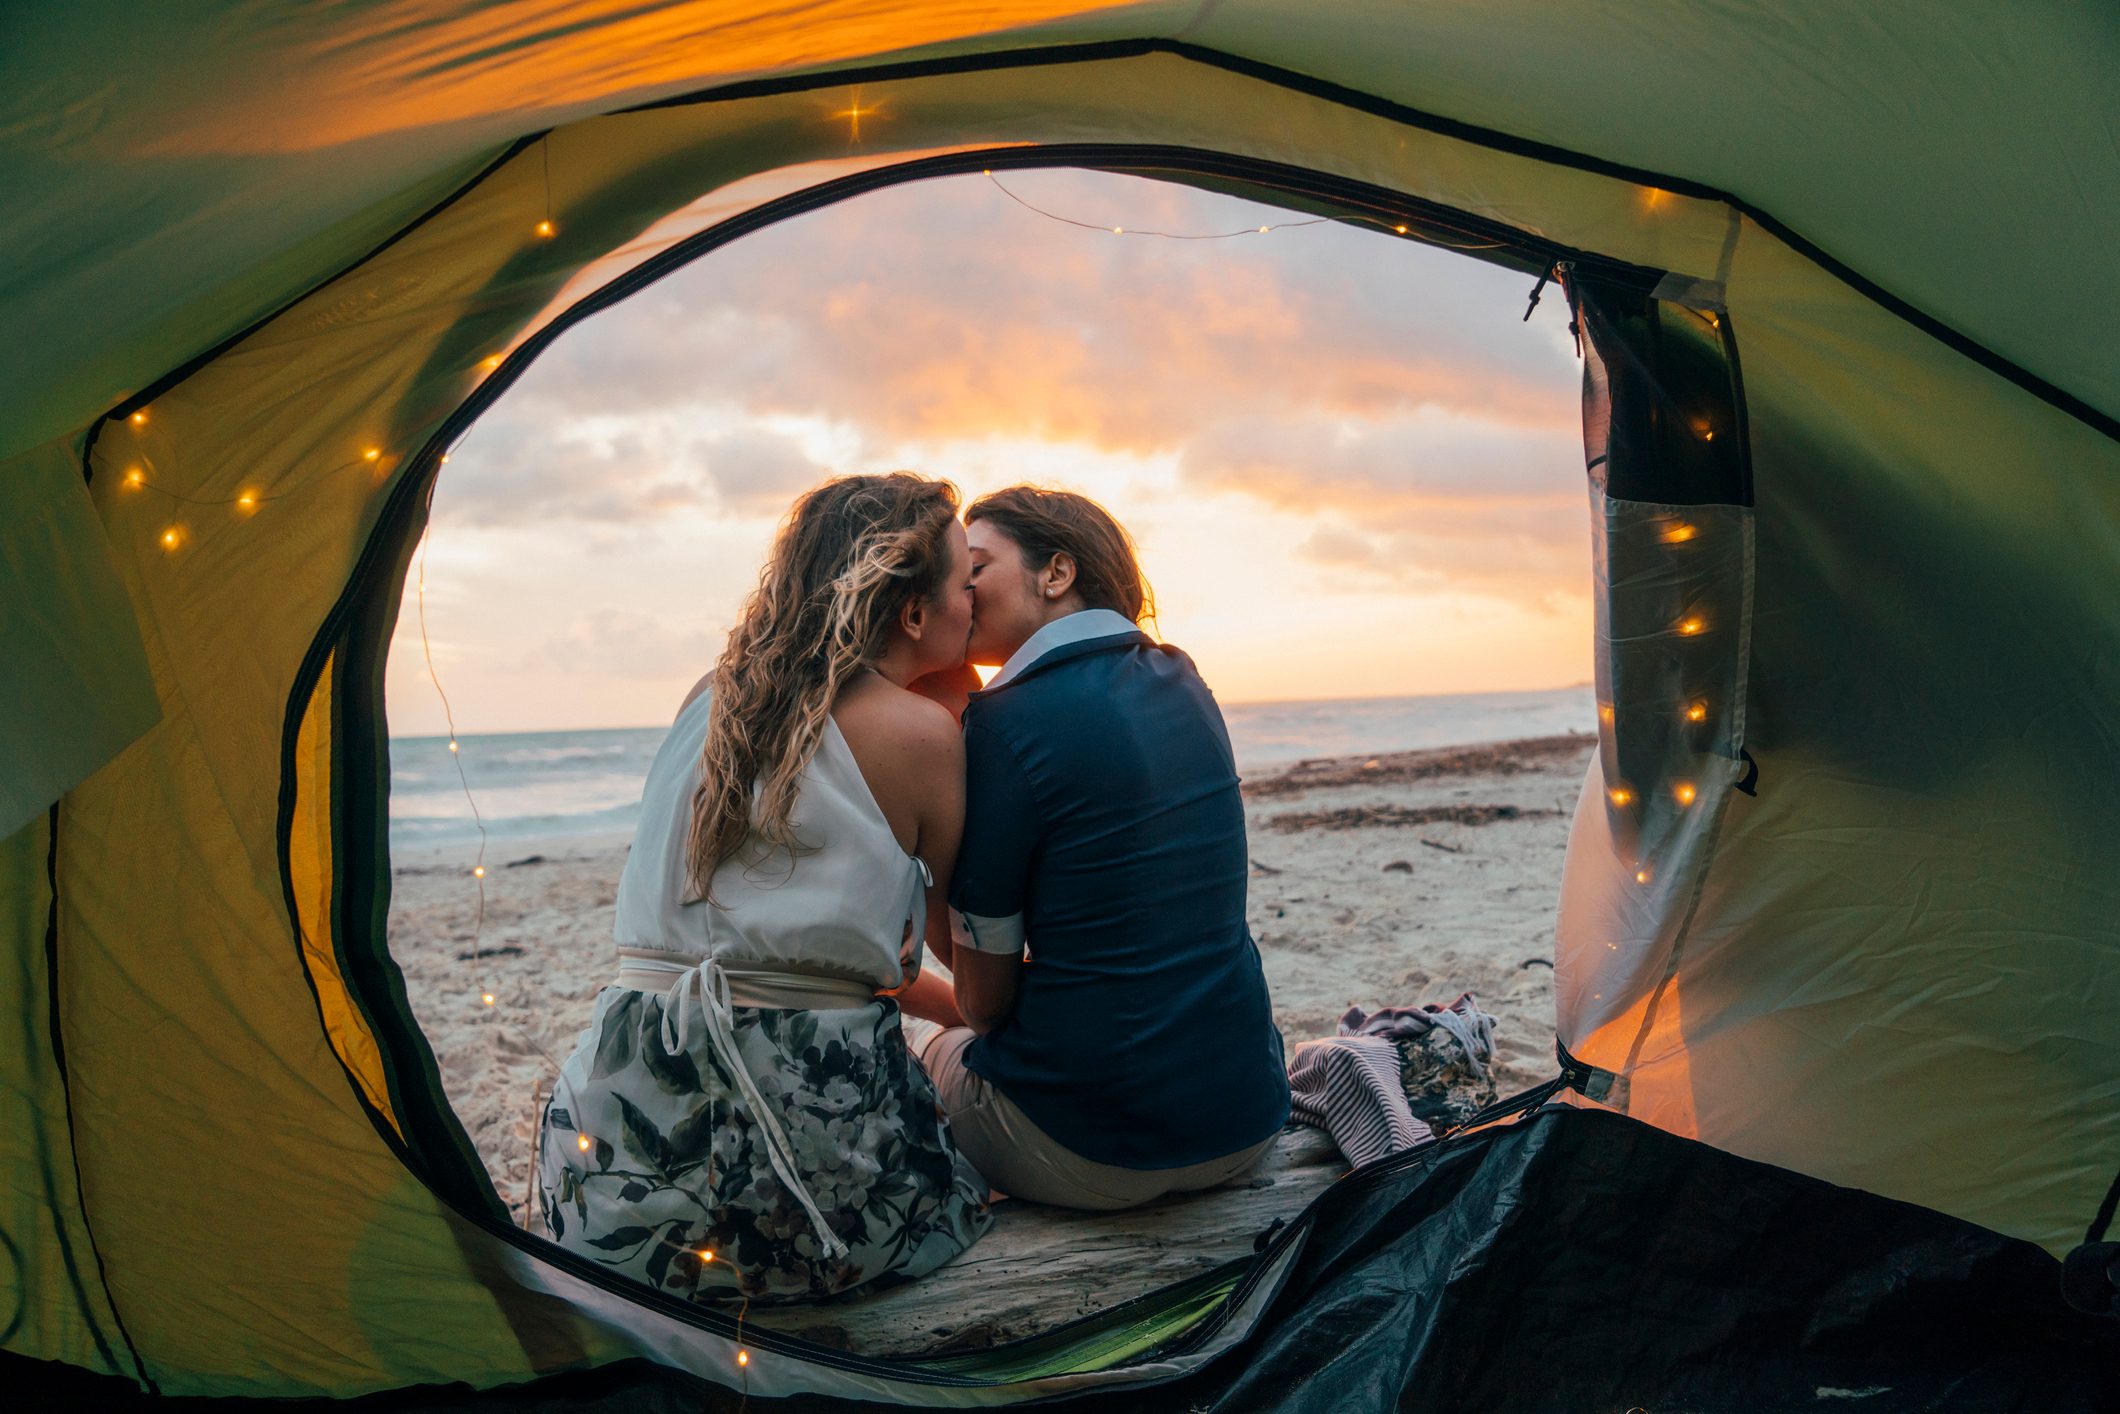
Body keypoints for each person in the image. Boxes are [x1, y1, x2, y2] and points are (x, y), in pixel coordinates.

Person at [537, 473, 990, 1303]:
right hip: (798, 1203)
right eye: (967, 581)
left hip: (605, 1168)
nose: (978, 598)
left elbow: (783, 948)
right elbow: (957, 957)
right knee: (953, 1159)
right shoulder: (924, 734)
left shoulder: (711, 700)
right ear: (914, 614)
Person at [917, 486, 1290, 1210]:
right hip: (1244, 1119)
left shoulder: (1002, 722)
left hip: (1096, 1151)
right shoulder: (1185, 678)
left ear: (1055, 574)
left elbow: (984, 1005)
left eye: (977, 567)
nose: (958, 591)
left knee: (934, 1052)